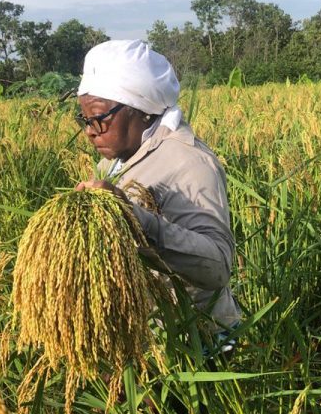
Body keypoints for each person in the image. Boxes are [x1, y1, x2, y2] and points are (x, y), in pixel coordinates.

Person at [74, 39, 240, 344]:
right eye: (84, 119)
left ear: (143, 111)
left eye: (98, 118)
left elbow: (217, 267)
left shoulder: (188, 162)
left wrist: (135, 218)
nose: (89, 130)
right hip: (148, 336)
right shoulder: (114, 161)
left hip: (197, 340)